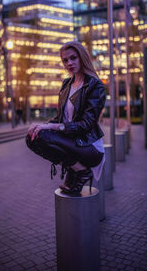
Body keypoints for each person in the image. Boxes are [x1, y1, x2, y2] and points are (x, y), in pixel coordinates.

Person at [26, 41, 106, 196]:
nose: (69, 63)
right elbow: (60, 118)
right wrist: (40, 125)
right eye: (65, 60)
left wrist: (49, 128)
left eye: (73, 58)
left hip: (89, 145)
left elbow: (85, 125)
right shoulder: (66, 84)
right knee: (32, 138)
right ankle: (77, 168)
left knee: (43, 135)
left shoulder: (95, 86)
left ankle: (82, 171)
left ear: (82, 57)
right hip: (72, 142)